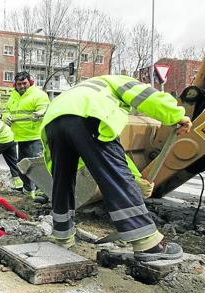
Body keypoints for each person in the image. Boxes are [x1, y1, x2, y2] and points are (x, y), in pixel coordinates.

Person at [41, 75, 192, 261]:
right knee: (115, 178)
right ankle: (148, 245)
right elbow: (148, 96)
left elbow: (111, 159)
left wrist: (136, 178)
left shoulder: (85, 89)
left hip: (52, 122)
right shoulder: (118, 81)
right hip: (89, 116)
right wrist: (177, 115)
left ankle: (62, 238)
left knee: (62, 184)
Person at [3, 71, 50, 199]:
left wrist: (40, 113)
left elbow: (45, 108)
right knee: (23, 167)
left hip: (35, 137)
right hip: (21, 137)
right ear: (15, 85)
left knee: (37, 166)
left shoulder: (38, 95)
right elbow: (7, 110)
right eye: (19, 84)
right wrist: (5, 116)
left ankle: (43, 193)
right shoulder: (13, 96)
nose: (22, 86)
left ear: (30, 82)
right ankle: (29, 191)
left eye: (24, 83)